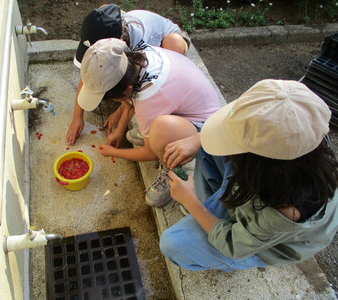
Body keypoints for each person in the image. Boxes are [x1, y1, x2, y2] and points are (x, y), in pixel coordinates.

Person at [159, 79, 338, 271]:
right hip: (259, 189)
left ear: (259, 164)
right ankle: (211, 210)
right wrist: (199, 138)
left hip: (257, 238)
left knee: (173, 244)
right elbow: (235, 132)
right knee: (209, 146)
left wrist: (190, 202)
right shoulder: (305, 136)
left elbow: (233, 245)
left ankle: (220, 246)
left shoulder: (287, 210)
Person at [77, 38, 221, 207]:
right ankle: (154, 134)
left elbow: (150, 153)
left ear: (126, 90)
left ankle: (173, 172)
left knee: (160, 132)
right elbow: (131, 101)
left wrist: (113, 152)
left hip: (206, 128)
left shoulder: (149, 100)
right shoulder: (138, 58)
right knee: (157, 127)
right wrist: (119, 130)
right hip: (190, 106)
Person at [66, 3, 191, 145]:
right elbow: (88, 77)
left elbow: (133, 88)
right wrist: (77, 118)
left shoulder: (138, 48)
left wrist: (119, 116)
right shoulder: (99, 41)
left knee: (174, 41)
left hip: (164, 42)